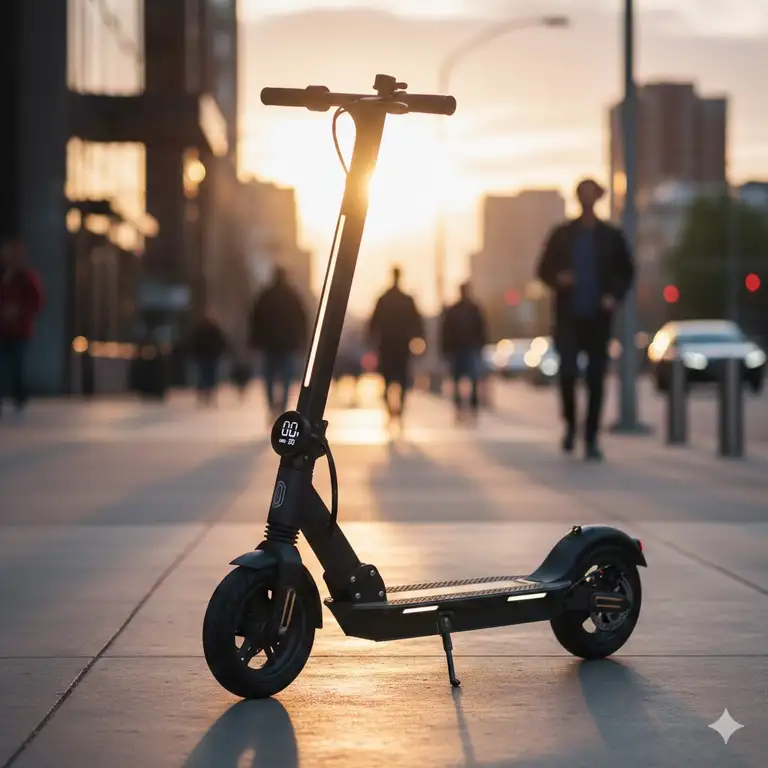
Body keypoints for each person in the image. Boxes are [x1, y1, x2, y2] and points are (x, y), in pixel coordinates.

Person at [536, 178, 635, 460]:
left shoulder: (611, 236)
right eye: (583, 194)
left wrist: (613, 296)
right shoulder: (563, 234)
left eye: (592, 194)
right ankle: (570, 425)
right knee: (567, 373)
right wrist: (559, 278)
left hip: (598, 319)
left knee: (595, 380)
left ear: (598, 198)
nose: (587, 199)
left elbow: (627, 272)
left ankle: (591, 437)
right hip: (568, 317)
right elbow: (542, 269)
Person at [248, 266, 308, 420]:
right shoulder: (292, 296)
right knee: (286, 378)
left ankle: (271, 406)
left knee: (268, 377)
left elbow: (255, 318)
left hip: (269, 344)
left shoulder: (266, 295)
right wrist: (302, 340)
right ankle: (282, 408)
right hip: (288, 344)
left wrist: (254, 341)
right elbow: (302, 319)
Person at [368, 266, 424, 422]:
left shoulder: (384, 298)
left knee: (388, 379)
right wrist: (419, 337)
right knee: (402, 379)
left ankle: (391, 409)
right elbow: (417, 321)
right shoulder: (405, 299)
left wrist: (372, 338)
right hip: (400, 344)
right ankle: (398, 410)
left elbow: (374, 321)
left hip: (388, 344)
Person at [0, 237, 44, 418]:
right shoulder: (4, 276)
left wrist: (19, 312)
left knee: (16, 365)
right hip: (3, 329)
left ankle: (20, 399)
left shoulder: (26, 277)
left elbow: (37, 301)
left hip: (19, 330)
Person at [440, 281, 487, 423]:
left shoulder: (472, 309)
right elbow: (446, 331)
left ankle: (470, 406)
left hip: (468, 347)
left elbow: (481, 329)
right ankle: (461, 406)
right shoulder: (461, 309)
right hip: (459, 349)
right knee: (459, 380)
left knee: (469, 379)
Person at [189, 309, 228, 406]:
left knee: (206, 376)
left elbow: (222, 342)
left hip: (210, 356)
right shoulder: (209, 329)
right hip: (207, 356)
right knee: (206, 376)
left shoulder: (210, 329)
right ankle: (205, 396)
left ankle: (207, 396)